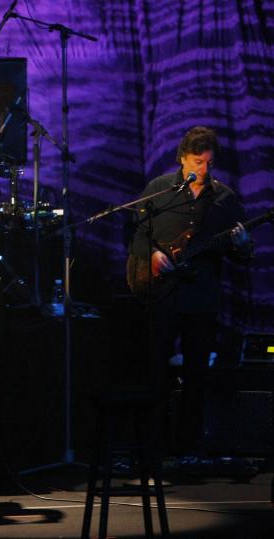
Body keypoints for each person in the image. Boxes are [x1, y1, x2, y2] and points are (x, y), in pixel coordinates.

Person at [129, 126, 252, 456]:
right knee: (155, 371)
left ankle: (188, 447)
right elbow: (139, 235)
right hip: (163, 295)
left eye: (209, 163)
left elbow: (242, 254)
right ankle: (152, 445)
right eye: (198, 161)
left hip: (202, 296)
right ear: (182, 158)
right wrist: (153, 255)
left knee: (197, 374)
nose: (204, 169)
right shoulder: (158, 190)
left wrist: (242, 244)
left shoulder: (225, 199)